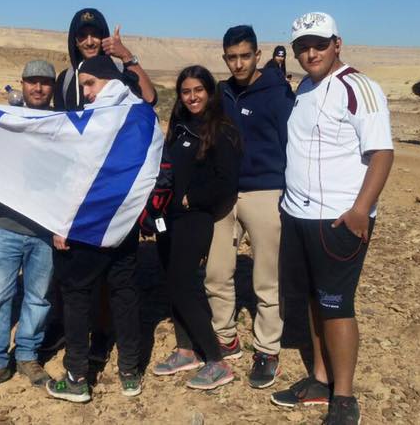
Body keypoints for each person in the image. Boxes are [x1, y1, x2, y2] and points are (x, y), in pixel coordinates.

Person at [272, 12, 394, 425]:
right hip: (298, 214)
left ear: (337, 43)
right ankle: (320, 380)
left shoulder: (359, 87)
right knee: (312, 298)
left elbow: (382, 153)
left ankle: (344, 396)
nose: (311, 53)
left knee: (336, 304)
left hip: (338, 219)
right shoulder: (305, 87)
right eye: (303, 47)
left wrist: (361, 209)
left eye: (319, 45)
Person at [45, 55, 148, 403]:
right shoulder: (142, 115)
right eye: (82, 86)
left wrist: (63, 222)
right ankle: (130, 373)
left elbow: (75, 174)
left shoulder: (94, 120)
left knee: (76, 295)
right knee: (123, 293)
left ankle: (76, 378)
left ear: (108, 79)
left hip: (88, 224)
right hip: (125, 223)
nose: (86, 93)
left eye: (90, 84)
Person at [201, 25, 295, 389]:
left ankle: (267, 349)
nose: (238, 64)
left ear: (258, 55)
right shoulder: (222, 93)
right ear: (224, 58)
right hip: (226, 195)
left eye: (244, 56)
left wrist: (290, 193)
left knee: (267, 278)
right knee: (216, 272)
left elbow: (292, 144)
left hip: (267, 193)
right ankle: (225, 338)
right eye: (232, 57)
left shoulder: (277, 94)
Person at [147, 66, 242, 391]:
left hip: (194, 218)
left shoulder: (222, 130)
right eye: (186, 91)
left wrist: (192, 199)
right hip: (168, 218)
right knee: (172, 284)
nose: (192, 97)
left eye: (198, 90)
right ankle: (186, 351)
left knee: (183, 286)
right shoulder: (180, 126)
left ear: (210, 92)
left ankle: (216, 360)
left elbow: (227, 181)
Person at [0, 60, 57, 397]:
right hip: (6, 225)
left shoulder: (61, 126)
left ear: (52, 88)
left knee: (38, 297)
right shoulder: (6, 121)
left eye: (45, 82)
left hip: (45, 229)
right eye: (32, 82)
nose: (38, 88)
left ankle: (27, 356)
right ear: (22, 84)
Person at [54, 8, 157, 110]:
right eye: (82, 36)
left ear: (103, 37)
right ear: (75, 41)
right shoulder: (65, 79)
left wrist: (126, 55)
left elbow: (150, 99)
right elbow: (60, 118)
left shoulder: (119, 72)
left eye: (95, 34)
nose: (89, 42)